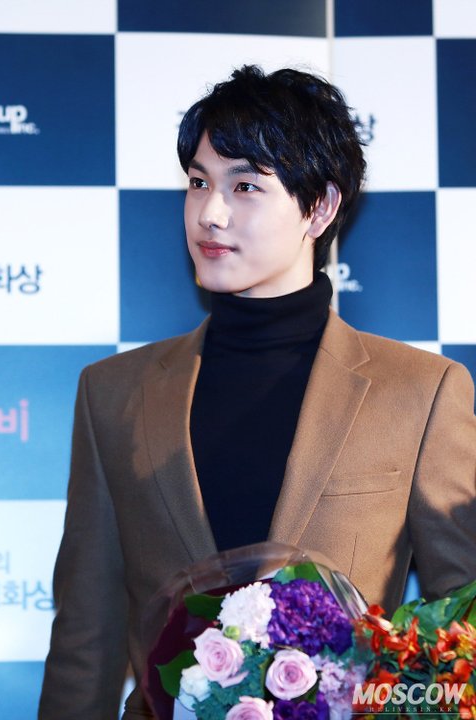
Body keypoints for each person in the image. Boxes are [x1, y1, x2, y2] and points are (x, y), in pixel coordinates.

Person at [39, 66, 476, 720]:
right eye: (198, 183)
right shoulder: (113, 393)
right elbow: (86, 638)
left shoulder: (421, 391)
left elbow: (461, 630)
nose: (210, 214)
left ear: (319, 208)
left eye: (245, 186)